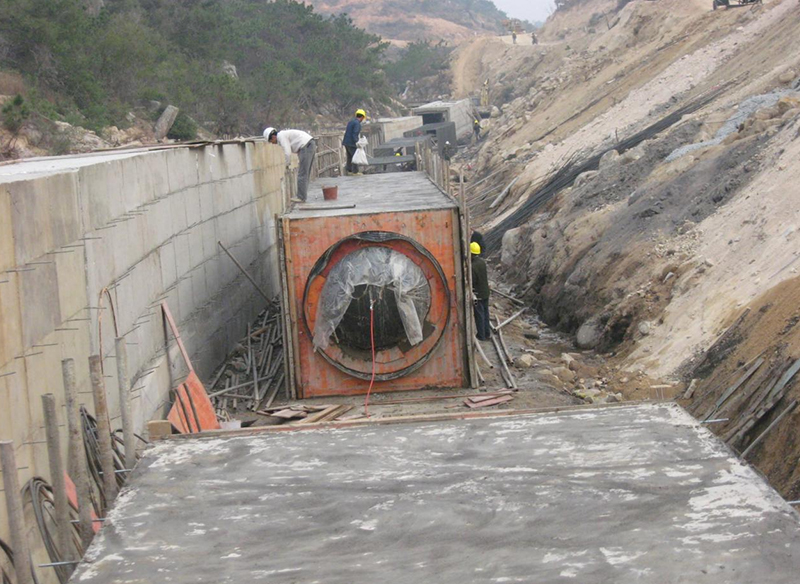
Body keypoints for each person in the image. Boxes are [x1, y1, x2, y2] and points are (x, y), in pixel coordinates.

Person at [263, 127, 316, 202]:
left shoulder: (281, 136)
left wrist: (287, 164)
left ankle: (301, 197)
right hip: (309, 144)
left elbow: (287, 152)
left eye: (271, 141)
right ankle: (303, 196)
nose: (272, 143)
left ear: (273, 136)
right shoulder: (284, 134)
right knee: (305, 173)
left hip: (306, 146)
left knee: (302, 174)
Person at [471, 242, 491, 341]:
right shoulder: (482, 262)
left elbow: (473, 281)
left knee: (479, 315)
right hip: (485, 292)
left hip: (478, 294)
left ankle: (481, 336)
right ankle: (487, 333)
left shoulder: (473, 266)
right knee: (486, 314)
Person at [343, 109, 366, 175]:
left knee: (349, 157)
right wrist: (357, 142)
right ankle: (355, 172)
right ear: (362, 117)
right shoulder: (357, 124)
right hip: (352, 143)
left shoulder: (351, 122)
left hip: (346, 142)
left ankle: (349, 170)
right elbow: (355, 134)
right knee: (355, 157)